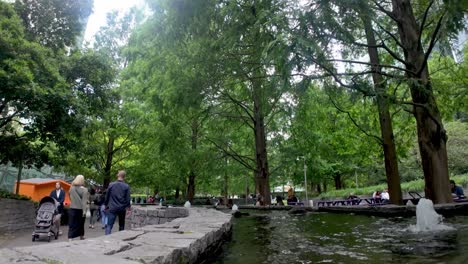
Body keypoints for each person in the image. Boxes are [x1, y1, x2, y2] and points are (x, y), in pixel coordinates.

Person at [105, 170, 131, 235]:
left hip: (112, 207)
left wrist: (106, 205)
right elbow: (128, 199)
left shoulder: (111, 185)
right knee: (121, 225)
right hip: (122, 208)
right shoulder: (126, 186)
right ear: (124, 177)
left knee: (109, 225)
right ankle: (120, 240)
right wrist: (128, 208)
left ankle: (106, 239)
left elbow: (107, 196)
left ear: (118, 175)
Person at [68, 175, 88, 241]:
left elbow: (70, 197)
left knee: (72, 223)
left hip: (72, 208)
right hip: (81, 209)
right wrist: (84, 211)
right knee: (81, 223)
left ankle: (70, 237)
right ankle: (81, 236)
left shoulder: (71, 188)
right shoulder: (85, 190)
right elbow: (84, 201)